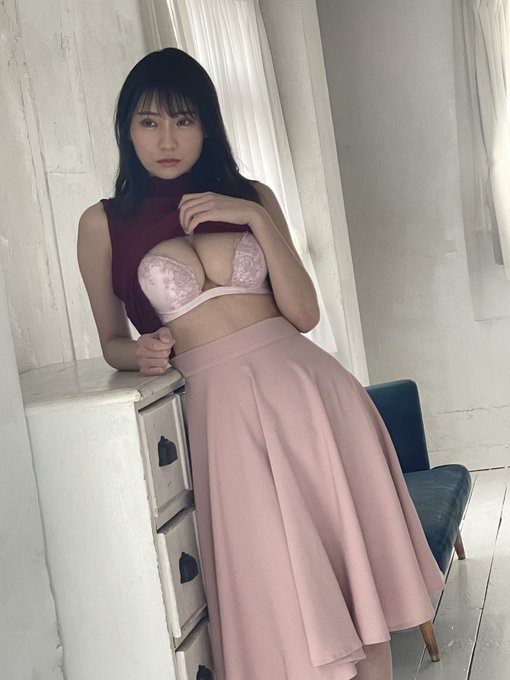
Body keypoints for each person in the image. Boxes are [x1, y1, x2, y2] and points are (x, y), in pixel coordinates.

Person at [78, 47, 443, 680]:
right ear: (126, 129)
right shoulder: (102, 223)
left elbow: (304, 313)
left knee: (356, 593)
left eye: (184, 120)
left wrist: (252, 216)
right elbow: (110, 339)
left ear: (208, 125)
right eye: (149, 121)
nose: (167, 139)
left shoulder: (251, 196)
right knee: (277, 589)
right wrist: (138, 354)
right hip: (223, 420)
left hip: (312, 397)